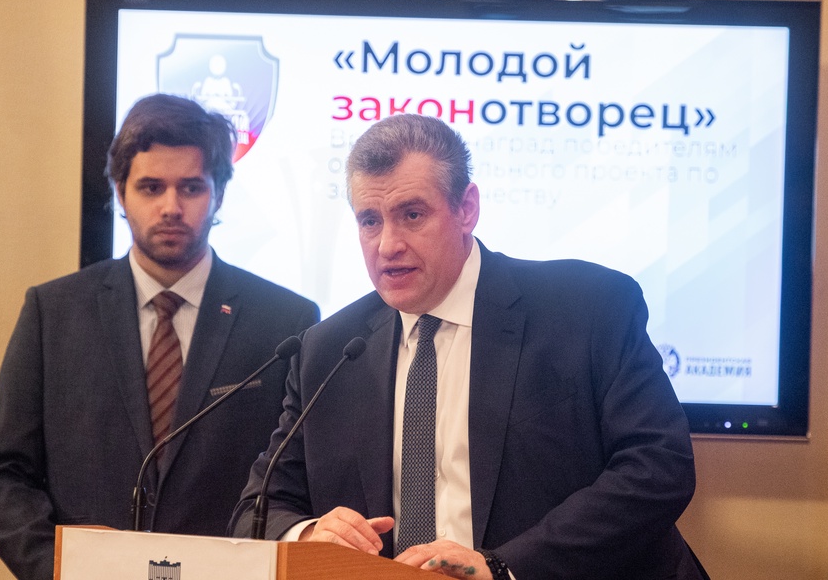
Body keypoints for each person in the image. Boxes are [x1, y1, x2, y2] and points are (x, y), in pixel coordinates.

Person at [230, 114, 707, 580]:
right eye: (370, 221)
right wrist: (310, 533)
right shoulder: (329, 349)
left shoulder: (587, 307)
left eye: (412, 215)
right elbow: (259, 507)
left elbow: (657, 467)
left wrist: (505, 566)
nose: (388, 245)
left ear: (467, 209)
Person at [0, 93, 319, 580]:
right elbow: (3, 474)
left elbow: (297, 483)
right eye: (150, 187)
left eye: (191, 187)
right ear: (120, 193)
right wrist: (58, 569)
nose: (171, 207)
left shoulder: (286, 321)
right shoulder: (53, 312)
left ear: (218, 194)